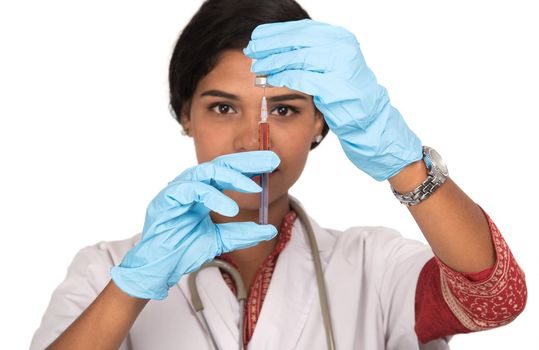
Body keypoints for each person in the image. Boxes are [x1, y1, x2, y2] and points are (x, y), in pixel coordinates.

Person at [31, 0, 527, 349]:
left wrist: (405, 164)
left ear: (322, 122)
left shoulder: (375, 265)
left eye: (284, 110)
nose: (254, 142)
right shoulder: (106, 270)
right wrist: (132, 286)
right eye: (223, 107)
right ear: (184, 115)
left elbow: (495, 300)